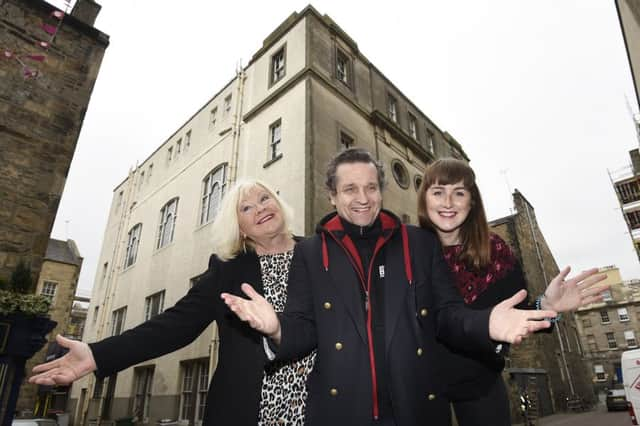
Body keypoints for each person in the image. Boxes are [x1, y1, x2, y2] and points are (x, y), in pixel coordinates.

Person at [221, 148, 562, 426]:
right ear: (332, 196)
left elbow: (447, 315)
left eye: (371, 187)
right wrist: (277, 328)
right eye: (350, 189)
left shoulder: (419, 243)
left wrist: (485, 322)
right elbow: (304, 328)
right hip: (341, 412)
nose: (363, 198)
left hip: (415, 409)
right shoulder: (309, 252)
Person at [29, 179, 315, 426]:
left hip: (321, 406)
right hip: (246, 411)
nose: (261, 208)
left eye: (265, 198)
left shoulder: (320, 256)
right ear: (239, 228)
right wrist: (97, 354)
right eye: (246, 207)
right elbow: (173, 325)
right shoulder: (227, 270)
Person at [417, 158, 607, 426]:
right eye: (438, 192)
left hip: (480, 383)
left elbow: (517, 316)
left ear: (472, 202)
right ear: (424, 199)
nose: (448, 202)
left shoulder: (495, 252)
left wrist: (548, 305)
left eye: (459, 193)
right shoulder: (409, 249)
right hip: (421, 386)